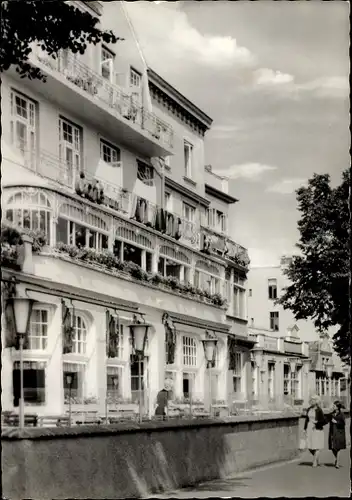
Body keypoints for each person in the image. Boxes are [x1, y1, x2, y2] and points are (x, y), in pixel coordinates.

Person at [304, 395, 328, 467]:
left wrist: (316, 423)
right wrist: (304, 429)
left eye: (313, 400)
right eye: (311, 400)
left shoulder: (319, 410)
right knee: (309, 446)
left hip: (317, 429)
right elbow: (306, 419)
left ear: (316, 401)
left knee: (317, 446)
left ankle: (315, 461)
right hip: (309, 428)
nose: (311, 401)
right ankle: (316, 458)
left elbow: (324, 421)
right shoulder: (308, 409)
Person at [327, 400, 346, 468]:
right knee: (332, 448)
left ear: (337, 407)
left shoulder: (342, 414)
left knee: (337, 448)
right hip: (332, 432)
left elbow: (343, 424)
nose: (333, 406)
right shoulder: (331, 414)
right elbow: (326, 420)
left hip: (339, 433)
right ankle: (337, 459)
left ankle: (337, 462)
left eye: (334, 406)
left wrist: (336, 422)